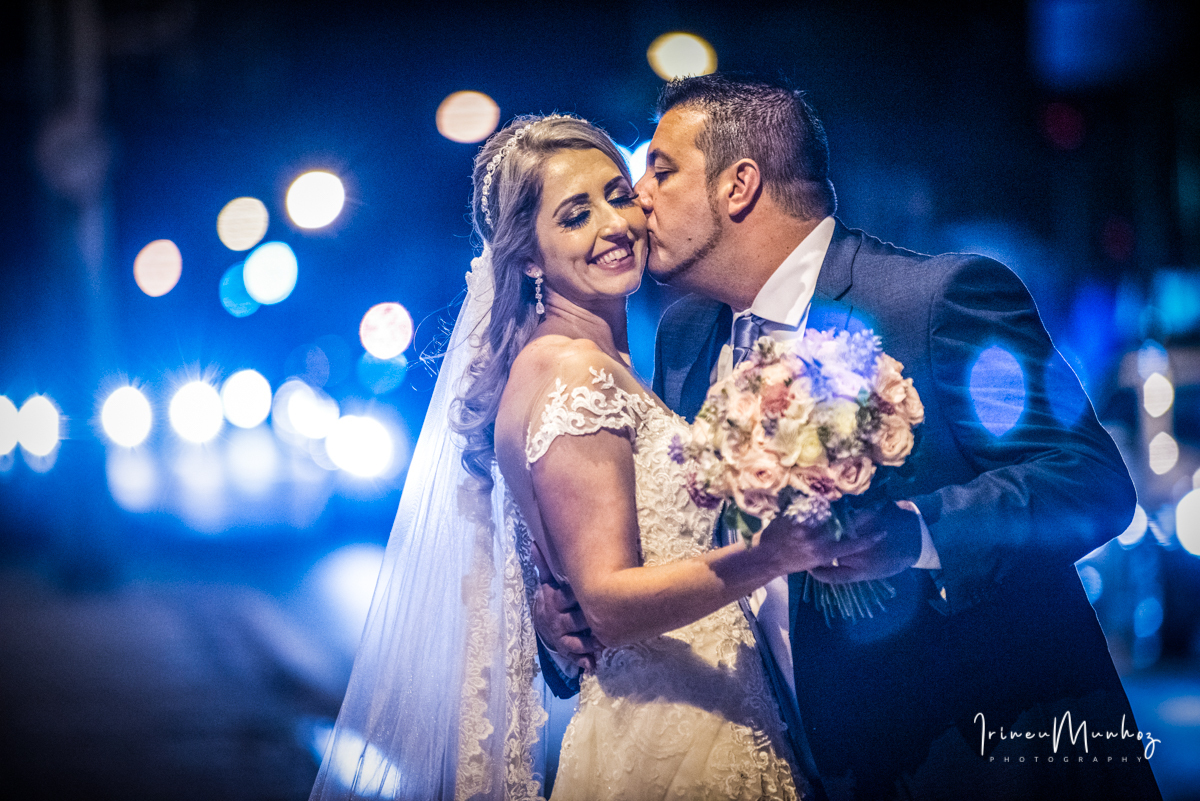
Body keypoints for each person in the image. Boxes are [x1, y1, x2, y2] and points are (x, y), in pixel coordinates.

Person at [535, 75, 1163, 801]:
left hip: (982, 761)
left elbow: (1089, 478)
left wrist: (914, 535)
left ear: (739, 186)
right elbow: (672, 544)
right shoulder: (684, 338)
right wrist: (575, 620)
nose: (639, 195)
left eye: (662, 170)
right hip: (795, 768)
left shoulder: (935, 300)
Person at [310, 113, 863, 801]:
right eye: (576, 215)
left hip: (696, 716)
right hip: (677, 739)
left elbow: (584, 580)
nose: (615, 224)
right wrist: (771, 554)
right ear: (530, 256)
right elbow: (605, 600)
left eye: (617, 194)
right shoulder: (575, 375)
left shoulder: (617, 360)